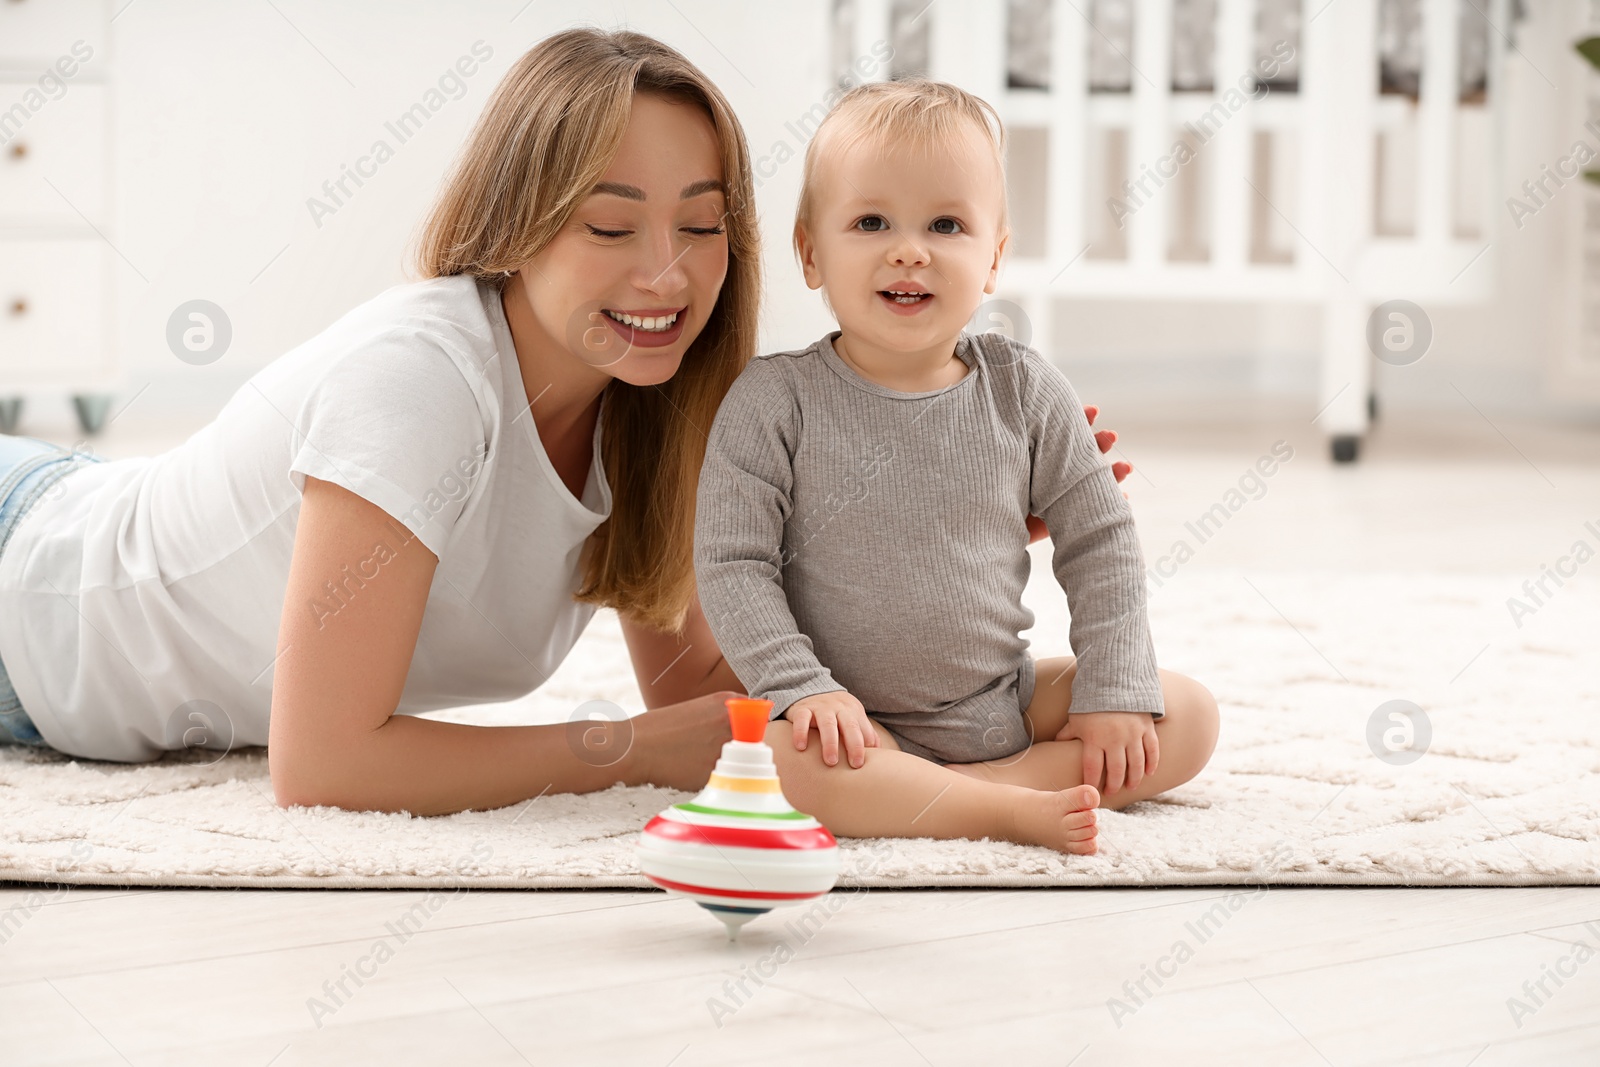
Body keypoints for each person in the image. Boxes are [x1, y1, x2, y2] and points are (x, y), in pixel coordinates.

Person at [0, 31, 1135, 818]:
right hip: (26, 606)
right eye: (609, 225)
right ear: (520, 220)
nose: (666, 272)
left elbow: (701, 688)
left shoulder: (653, 403)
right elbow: (322, 764)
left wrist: (934, 514)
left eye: (701, 226)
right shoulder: (421, 383)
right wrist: (621, 756)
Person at [694, 79, 1220, 856]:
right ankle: (1006, 806)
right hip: (851, 721)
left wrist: (1112, 688)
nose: (910, 249)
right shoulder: (774, 400)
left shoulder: (1026, 388)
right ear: (811, 252)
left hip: (1000, 702)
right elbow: (733, 564)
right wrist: (800, 686)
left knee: (1187, 713)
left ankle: (946, 795)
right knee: (778, 763)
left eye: (946, 223)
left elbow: (1099, 539)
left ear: (994, 258)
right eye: (870, 221)